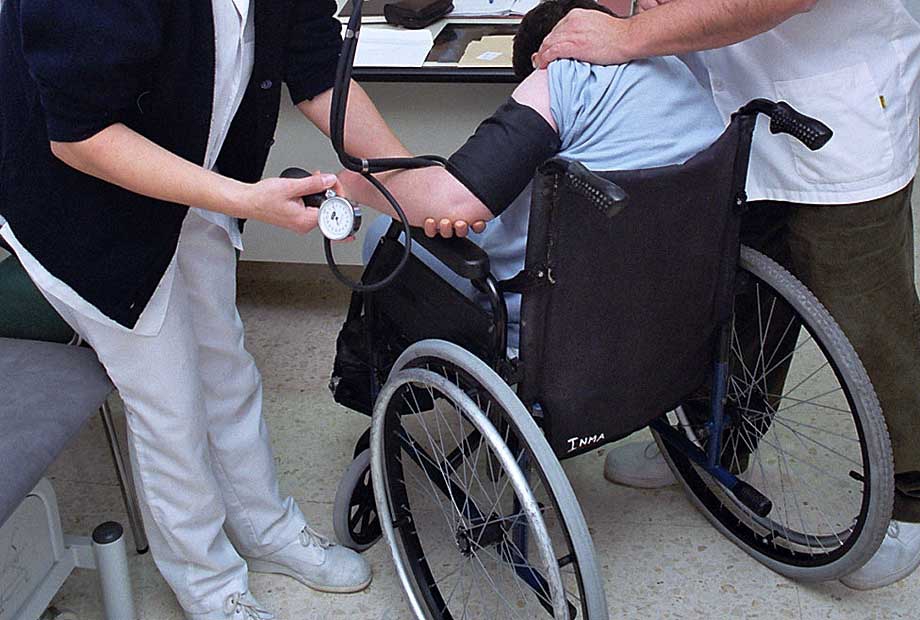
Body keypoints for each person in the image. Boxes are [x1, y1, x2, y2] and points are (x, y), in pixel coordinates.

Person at [0, 1, 414, 618]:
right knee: (168, 398)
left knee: (225, 362)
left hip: (187, 162)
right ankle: (209, 583)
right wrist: (244, 199)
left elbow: (314, 61)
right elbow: (82, 135)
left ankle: (265, 529)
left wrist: (404, 178)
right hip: (83, 198)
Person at [534, 0, 920, 590]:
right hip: (724, 107)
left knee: (871, 321)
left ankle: (913, 496)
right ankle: (714, 443)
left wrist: (629, 34)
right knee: (724, 297)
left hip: (836, 109)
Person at [341, 0, 724, 349]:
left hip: (560, 327)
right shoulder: (686, 79)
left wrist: (353, 184)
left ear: (542, 58)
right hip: (673, 319)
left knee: (384, 233)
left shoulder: (560, 73)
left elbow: (452, 203)